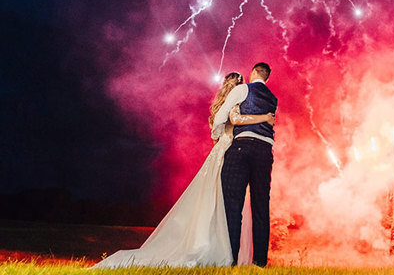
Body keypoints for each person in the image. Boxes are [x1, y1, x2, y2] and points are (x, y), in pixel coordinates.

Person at [93, 71, 274, 268]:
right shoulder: (236, 104)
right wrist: (264, 118)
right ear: (239, 87)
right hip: (230, 150)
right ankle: (226, 253)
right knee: (228, 204)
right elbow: (235, 121)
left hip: (224, 149)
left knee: (219, 204)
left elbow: (216, 129)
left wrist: (218, 138)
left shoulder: (224, 104)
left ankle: (219, 248)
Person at [218, 62, 277, 267]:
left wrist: (218, 136)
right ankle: (260, 261)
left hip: (242, 147)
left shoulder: (243, 89)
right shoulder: (273, 98)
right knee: (261, 206)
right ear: (267, 78)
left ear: (252, 73)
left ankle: (230, 259)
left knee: (233, 205)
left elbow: (222, 115)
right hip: (265, 151)